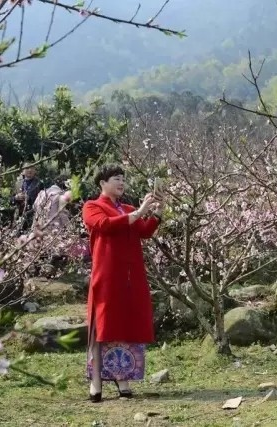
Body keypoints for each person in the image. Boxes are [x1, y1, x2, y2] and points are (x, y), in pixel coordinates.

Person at [83, 164, 162, 403]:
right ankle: (96, 382)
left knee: (124, 325)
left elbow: (145, 231)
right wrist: (138, 213)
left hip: (129, 278)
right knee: (102, 327)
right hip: (106, 278)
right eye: (116, 178)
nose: (121, 183)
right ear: (102, 184)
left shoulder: (127, 208)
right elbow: (105, 225)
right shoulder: (92, 206)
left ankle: (122, 380)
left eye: (123, 179)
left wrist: (157, 212)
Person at [12, 163, 43, 231]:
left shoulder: (39, 184)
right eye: (27, 168)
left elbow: (43, 201)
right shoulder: (18, 183)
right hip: (18, 217)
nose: (30, 170)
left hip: (33, 216)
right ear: (22, 171)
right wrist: (16, 198)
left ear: (35, 171)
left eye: (32, 168)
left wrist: (29, 199)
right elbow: (11, 200)